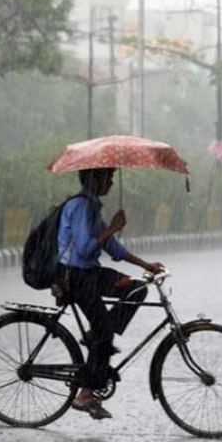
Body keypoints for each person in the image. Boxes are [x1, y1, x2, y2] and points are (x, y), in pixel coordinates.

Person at [56, 168, 164, 420]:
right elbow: (84, 249)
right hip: (76, 276)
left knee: (136, 287)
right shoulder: (81, 207)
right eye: (108, 177)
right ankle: (85, 394)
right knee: (104, 332)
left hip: (90, 273)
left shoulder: (91, 206)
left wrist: (145, 265)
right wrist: (113, 227)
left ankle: (98, 338)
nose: (112, 182)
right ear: (94, 179)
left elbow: (111, 247)